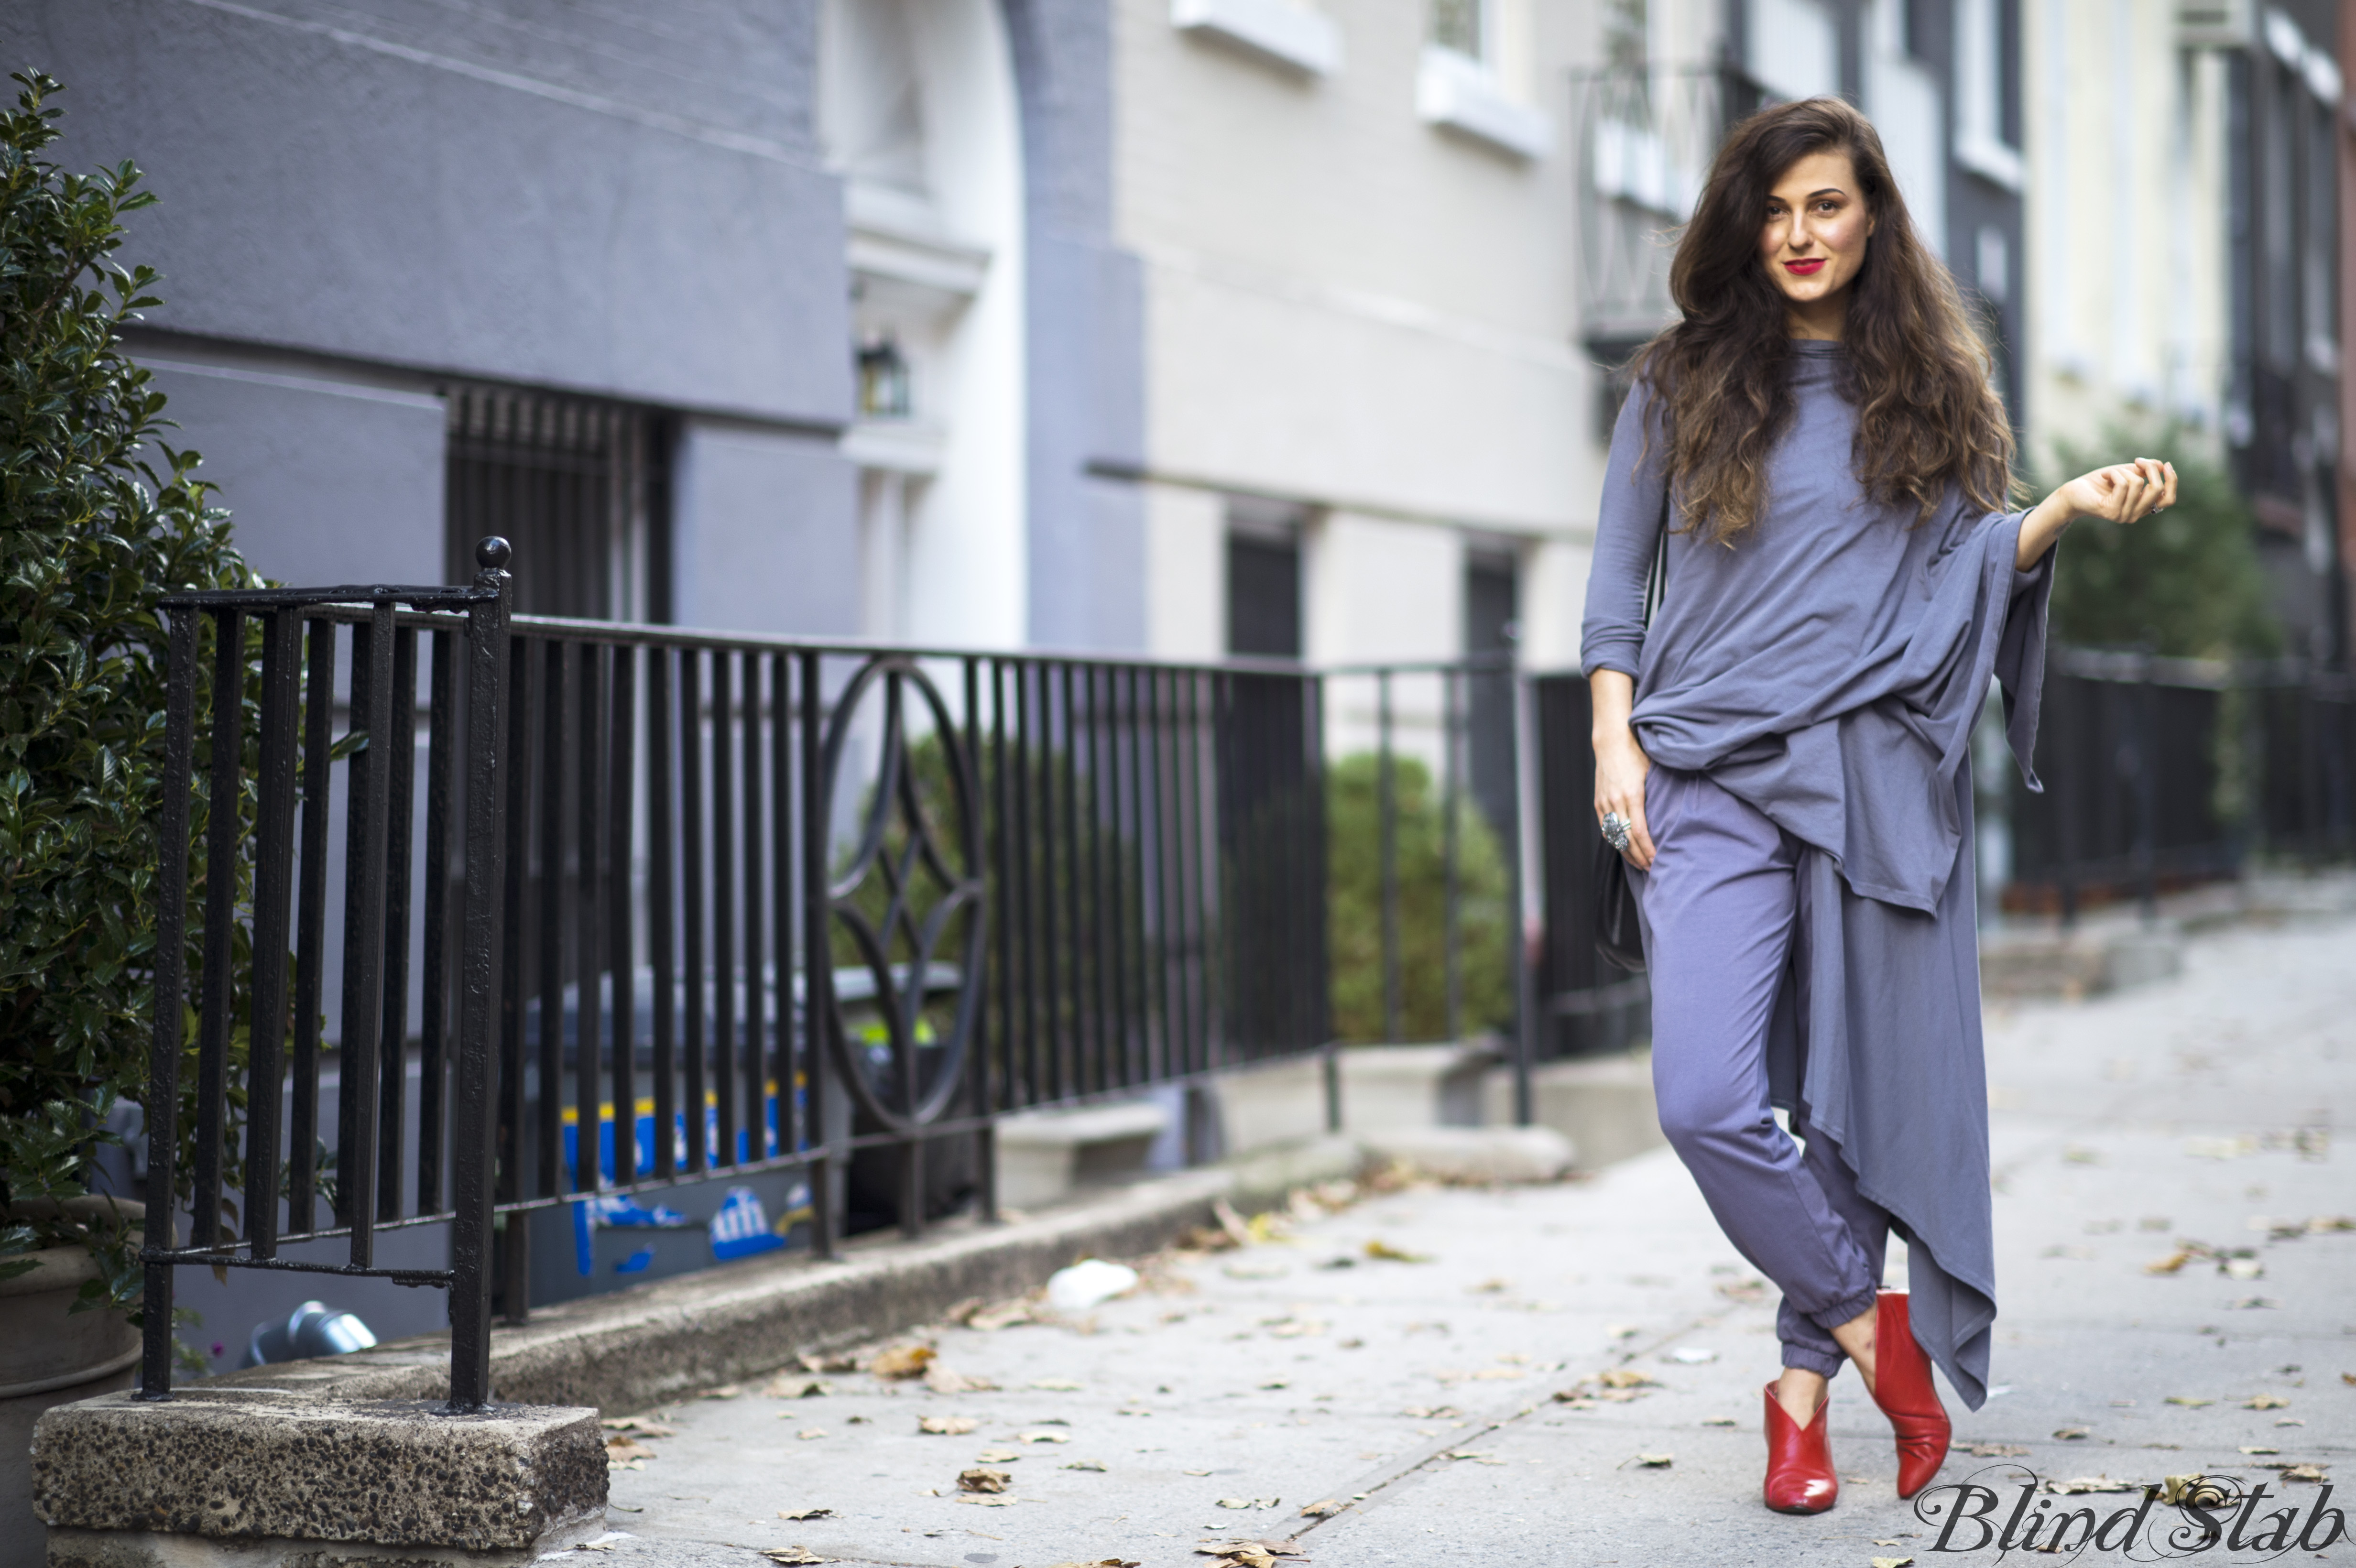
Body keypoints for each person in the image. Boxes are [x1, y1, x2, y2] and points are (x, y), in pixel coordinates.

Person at [1579, 97, 2174, 1516]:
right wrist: (1616, 745)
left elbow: (1961, 568)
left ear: (1873, 216)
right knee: (1711, 1097)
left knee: (1838, 1106)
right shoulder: (1677, 382)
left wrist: (2061, 511)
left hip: (1864, 777)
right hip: (1706, 775)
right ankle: (1873, 1328)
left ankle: (1799, 1406)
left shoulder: (1936, 389)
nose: (1799, 234)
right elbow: (1616, 596)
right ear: (1747, 219)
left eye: (1827, 206)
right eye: (1776, 209)